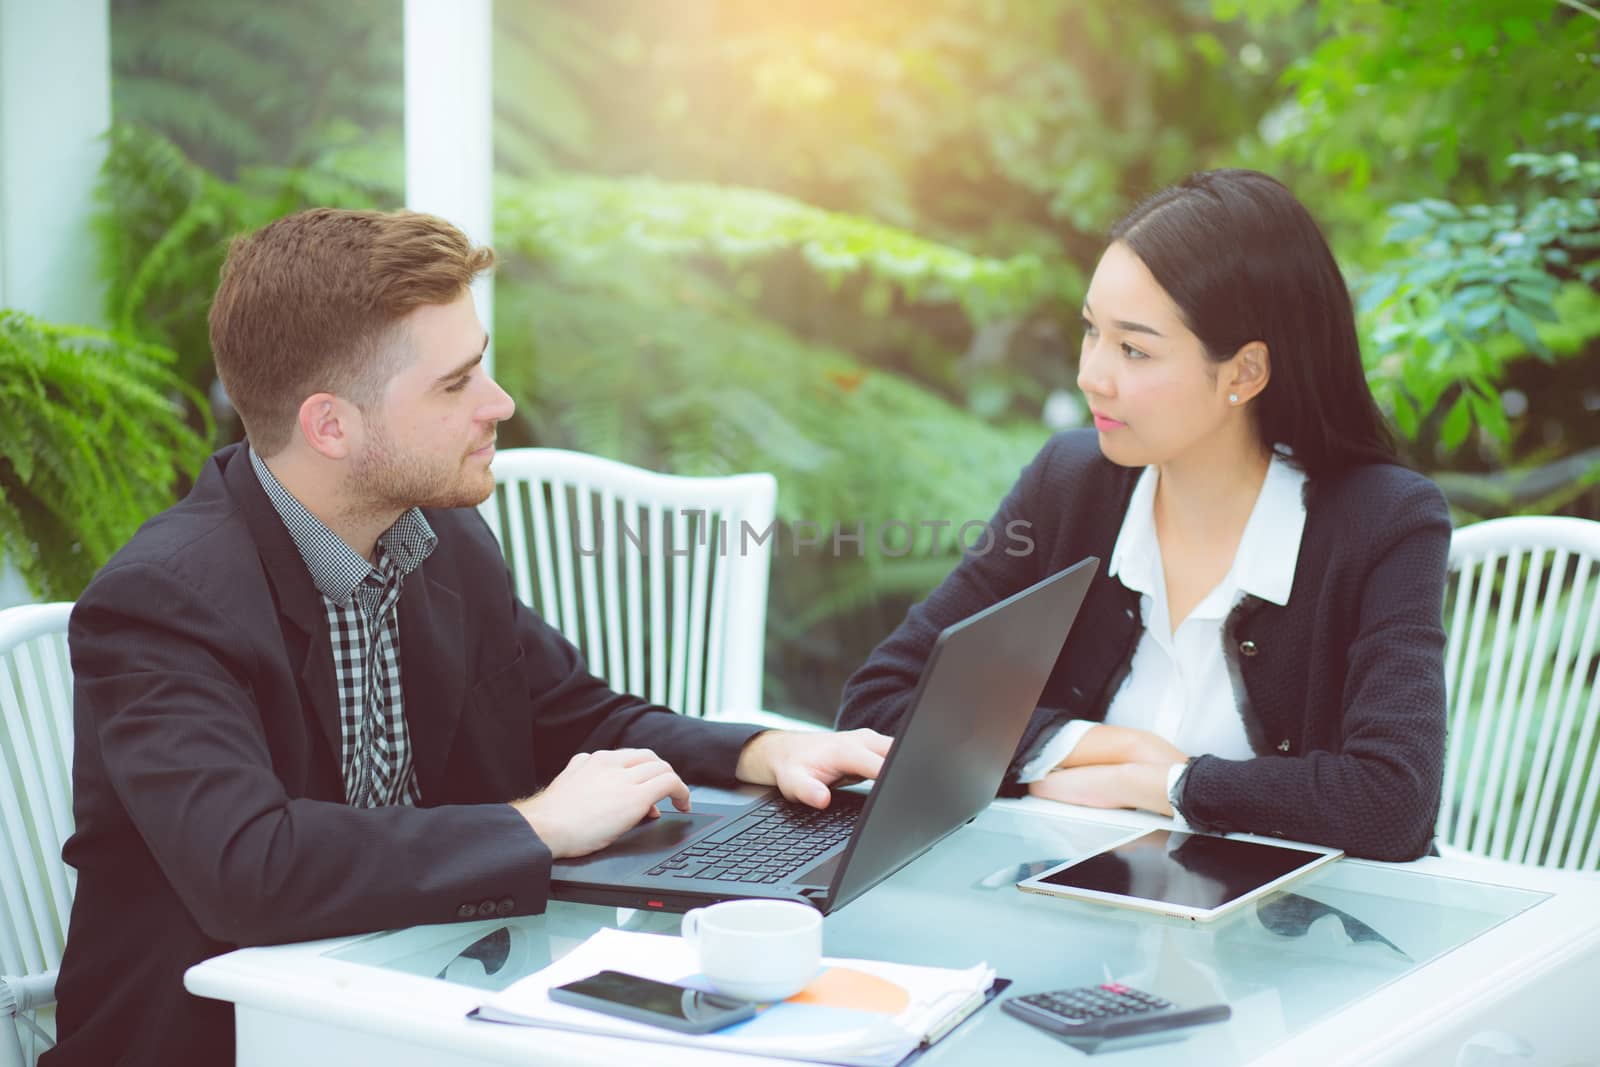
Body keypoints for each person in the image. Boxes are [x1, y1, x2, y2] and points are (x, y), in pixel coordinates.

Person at [46, 208, 890, 1066]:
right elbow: (249, 865)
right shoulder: (161, 604)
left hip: (417, 994)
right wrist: (536, 826)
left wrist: (762, 748)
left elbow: (568, 712)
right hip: (228, 1036)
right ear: (331, 426)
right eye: (455, 385)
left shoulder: (440, 538)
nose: (501, 404)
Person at [838, 169, 1449, 863]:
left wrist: (1174, 783)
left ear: (1244, 374)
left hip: (1296, 943)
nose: (1092, 374)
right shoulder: (1071, 485)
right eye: (1091, 331)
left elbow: (1393, 802)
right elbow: (880, 705)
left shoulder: (1384, 522)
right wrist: (1107, 747)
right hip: (1082, 923)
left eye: (1133, 349)